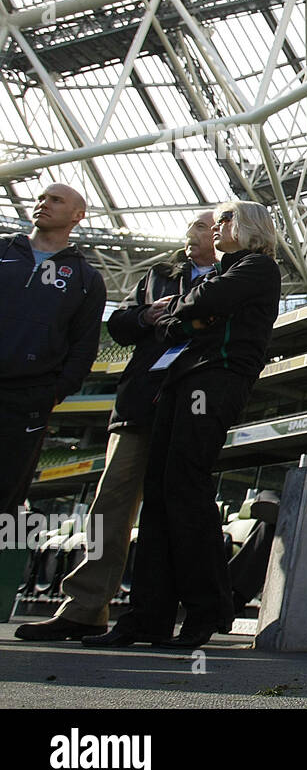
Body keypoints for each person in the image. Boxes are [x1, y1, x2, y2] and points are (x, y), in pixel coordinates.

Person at [85, 201, 282, 650]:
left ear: (251, 226)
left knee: (184, 488)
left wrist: (189, 313)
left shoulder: (258, 268)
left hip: (217, 377)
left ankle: (207, 609)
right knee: (157, 493)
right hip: (179, 379)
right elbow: (178, 323)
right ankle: (147, 616)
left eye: (228, 219)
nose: (218, 227)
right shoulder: (223, 272)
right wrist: (189, 315)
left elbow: (201, 305)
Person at [17, 214, 217, 642]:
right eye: (191, 228)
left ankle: (168, 614)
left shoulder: (234, 276)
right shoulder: (159, 276)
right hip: (141, 403)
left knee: (175, 508)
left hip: (192, 405)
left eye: (202, 227)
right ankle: (85, 608)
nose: (192, 233)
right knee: (110, 505)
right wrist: (146, 316)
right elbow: (119, 326)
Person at [1, 184, 106, 518]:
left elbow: (84, 345)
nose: (43, 203)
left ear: (78, 216)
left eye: (55, 200)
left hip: (26, 401)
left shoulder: (86, 279)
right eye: (41, 198)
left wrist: (53, 392)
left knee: (6, 492)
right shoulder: (2, 250)